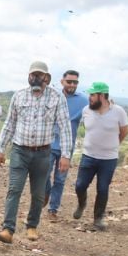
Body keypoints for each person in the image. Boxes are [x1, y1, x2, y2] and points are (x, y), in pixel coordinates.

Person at [0, 61, 72, 243]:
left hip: (43, 153)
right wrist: (0, 148)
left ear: (47, 77)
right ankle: (8, 229)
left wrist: (66, 155)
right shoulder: (19, 96)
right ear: (29, 76)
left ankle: (32, 226)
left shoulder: (56, 98)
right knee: (14, 189)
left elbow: (65, 127)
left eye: (40, 74)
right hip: (20, 151)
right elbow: (10, 123)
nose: (36, 78)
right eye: (33, 74)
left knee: (38, 193)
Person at [73, 82, 128, 231]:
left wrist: (114, 145)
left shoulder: (119, 111)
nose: (89, 97)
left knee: (103, 188)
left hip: (109, 158)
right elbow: (87, 128)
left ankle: (98, 217)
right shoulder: (86, 110)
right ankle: (82, 203)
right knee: (80, 185)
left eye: (92, 95)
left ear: (102, 96)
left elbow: (124, 130)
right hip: (88, 156)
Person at [44, 70, 89, 221]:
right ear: (62, 81)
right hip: (48, 143)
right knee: (44, 175)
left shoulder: (83, 100)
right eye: (69, 81)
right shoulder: (53, 95)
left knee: (60, 179)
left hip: (67, 146)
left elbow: (97, 107)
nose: (72, 84)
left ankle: (53, 209)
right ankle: (45, 193)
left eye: (75, 82)